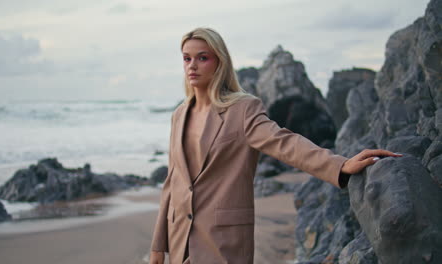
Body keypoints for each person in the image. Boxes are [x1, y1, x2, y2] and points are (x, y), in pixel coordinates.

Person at [149, 27, 401, 264]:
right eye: (186, 58)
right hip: (180, 238)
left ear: (219, 62)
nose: (192, 65)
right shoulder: (179, 115)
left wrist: (341, 165)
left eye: (202, 58)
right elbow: (172, 182)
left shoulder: (242, 109)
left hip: (222, 240)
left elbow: (284, 143)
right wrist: (158, 245)